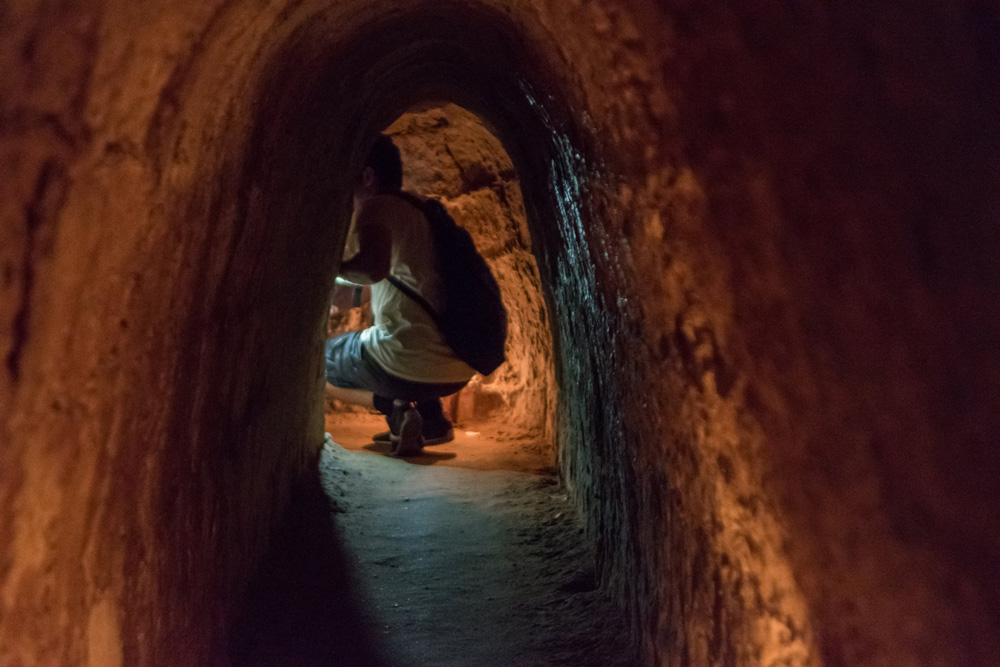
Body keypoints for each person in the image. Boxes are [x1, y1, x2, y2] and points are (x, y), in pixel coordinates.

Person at [324, 134, 476, 455]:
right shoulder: (421, 211)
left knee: (317, 361)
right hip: (461, 366)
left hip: (406, 365)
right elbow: (387, 282)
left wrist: (326, 270)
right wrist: (348, 294)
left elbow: (371, 270)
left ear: (367, 176)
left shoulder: (375, 206)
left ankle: (395, 409)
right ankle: (432, 421)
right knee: (411, 338)